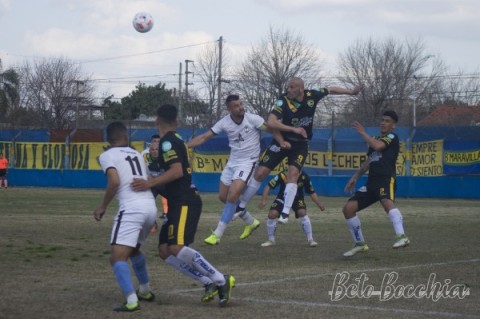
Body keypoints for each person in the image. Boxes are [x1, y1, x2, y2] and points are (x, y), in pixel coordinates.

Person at [131, 104, 235, 307]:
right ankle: (207, 282)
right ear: (176, 121)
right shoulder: (176, 138)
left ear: (157, 121)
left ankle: (222, 279)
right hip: (177, 202)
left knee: (177, 247)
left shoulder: (168, 142)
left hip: (185, 201)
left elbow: (177, 171)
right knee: (164, 250)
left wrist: (150, 182)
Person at [236, 77, 364, 224]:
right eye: (287, 87)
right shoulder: (283, 100)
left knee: (293, 173)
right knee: (260, 173)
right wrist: (293, 129)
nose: (288, 90)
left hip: (300, 144)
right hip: (282, 141)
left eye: (291, 87)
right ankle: (241, 206)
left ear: (301, 89)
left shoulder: (312, 95)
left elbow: (331, 89)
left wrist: (351, 92)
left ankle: (285, 213)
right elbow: (271, 122)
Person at [94, 121, 157, 312]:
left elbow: (114, 181)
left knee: (117, 258)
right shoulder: (137, 154)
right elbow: (150, 180)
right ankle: (145, 290)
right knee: (134, 250)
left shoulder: (107, 155)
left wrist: (103, 206)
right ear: (125, 136)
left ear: (108, 139)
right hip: (149, 207)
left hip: (132, 209)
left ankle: (131, 301)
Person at [187, 94, 265, 245]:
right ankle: (251, 221)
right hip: (232, 163)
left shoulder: (253, 119)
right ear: (228, 109)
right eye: (236, 106)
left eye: (241, 104)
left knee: (233, 195)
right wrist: (185, 146)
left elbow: (270, 127)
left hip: (248, 162)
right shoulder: (224, 122)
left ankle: (217, 234)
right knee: (223, 197)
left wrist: (285, 137)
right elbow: (204, 137)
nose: (241, 107)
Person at [342, 110, 410, 257]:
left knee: (386, 202)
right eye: (382, 120)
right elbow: (369, 160)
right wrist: (356, 176)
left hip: (385, 179)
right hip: (371, 182)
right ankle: (360, 243)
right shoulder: (375, 140)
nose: (383, 123)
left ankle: (402, 236)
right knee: (348, 209)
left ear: (393, 125)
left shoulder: (392, 137)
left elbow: (379, 147)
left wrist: (363, 133)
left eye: (387, 121)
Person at [258, 169, 325, 247]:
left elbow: (311, 192)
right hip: (282, 198)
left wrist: (319, 204)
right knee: (272, 214)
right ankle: (271, 240)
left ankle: (311, 240)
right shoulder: (283, 175)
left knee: (302, 212)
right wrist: (263, 200)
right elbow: (268, 186)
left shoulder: (304, 176)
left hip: (297, 199)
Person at [142, 134, 168, 217]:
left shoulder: (167, 154)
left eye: (158, 142)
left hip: (164, 183)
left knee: (175, 199)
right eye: (154, 141)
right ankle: (151, 222)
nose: (155, 150)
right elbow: (145, 171)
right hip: (152, 183)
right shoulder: (144, 155)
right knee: (147, 202)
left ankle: (169, 215)